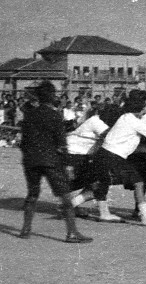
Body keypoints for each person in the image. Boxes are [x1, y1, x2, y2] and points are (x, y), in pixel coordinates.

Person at [71, 91, 146, 227]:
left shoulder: (125, 117)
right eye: (145, 105)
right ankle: (145, 216)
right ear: (141, 107)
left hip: (105, 155)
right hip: (113, 156)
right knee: (138, 182)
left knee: (99, 185)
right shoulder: (132, 120)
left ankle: (69, 205)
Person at [17, 81, 93, 243]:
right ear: (52, 96)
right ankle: (71, 233)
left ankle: (25, 229)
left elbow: (23, 143)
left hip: (31, 160)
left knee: (32, 195)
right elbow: (62, 143)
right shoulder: (55, 115)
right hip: (51, 161)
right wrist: (67, 164)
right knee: (65, 197)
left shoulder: (29, 115)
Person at [65, 104, 122, 220]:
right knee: (100, 180)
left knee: (94, 181)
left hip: (80, 155)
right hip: (74, 154)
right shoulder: (96, 122)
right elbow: (111, 136)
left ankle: (71, 204)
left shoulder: (96, 120)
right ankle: (103, 213)